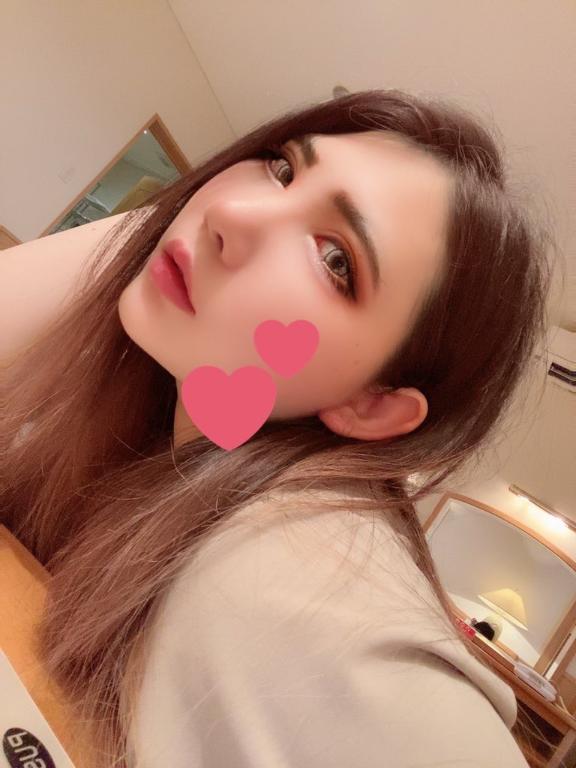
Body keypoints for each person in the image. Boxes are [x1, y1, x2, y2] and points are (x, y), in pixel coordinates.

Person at [1, 88, 557, 766]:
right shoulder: (163, 425)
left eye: (336, 259)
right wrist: (167, 227)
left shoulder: (303, 566)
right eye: (282, 166)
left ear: (373, 405)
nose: (231, 211)